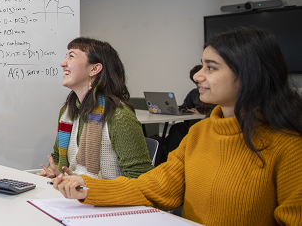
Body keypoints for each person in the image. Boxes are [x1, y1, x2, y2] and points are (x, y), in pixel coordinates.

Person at [52, 28, 302, 226]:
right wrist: (85, 188)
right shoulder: (200, 133)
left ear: (249, 74)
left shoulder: (290, 146)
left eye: (211, 68)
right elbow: (156, 188)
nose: (197, 76)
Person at [37, 37, 153, 180]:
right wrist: (53, 173)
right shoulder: (68, 112)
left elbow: (142, 179)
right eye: (65, 57)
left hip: (108, 200)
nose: (63, 63)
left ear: (94, 69)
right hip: (72, 196)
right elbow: (58, 156)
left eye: (71, 56)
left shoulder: (119, 116)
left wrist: (92, 188)